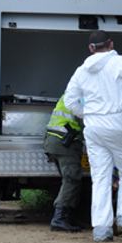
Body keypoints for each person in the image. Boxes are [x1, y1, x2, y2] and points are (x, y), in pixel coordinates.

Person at [64, 30, 122, 242]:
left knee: (100, 176)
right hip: (119, 122)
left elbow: (70, 102)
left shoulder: (81, 71)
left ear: (91, 48)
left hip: (94, 125)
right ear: (111, 44)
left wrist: (87, 114)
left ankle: (102, 229)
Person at [44, 95, 84, 233]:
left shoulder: (71, 93)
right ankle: (59, 219)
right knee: (72, 179)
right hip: (65, 142)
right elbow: (87, 121)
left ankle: (67, 217)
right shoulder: (81, 96)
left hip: (55, 140)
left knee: (70, 180)